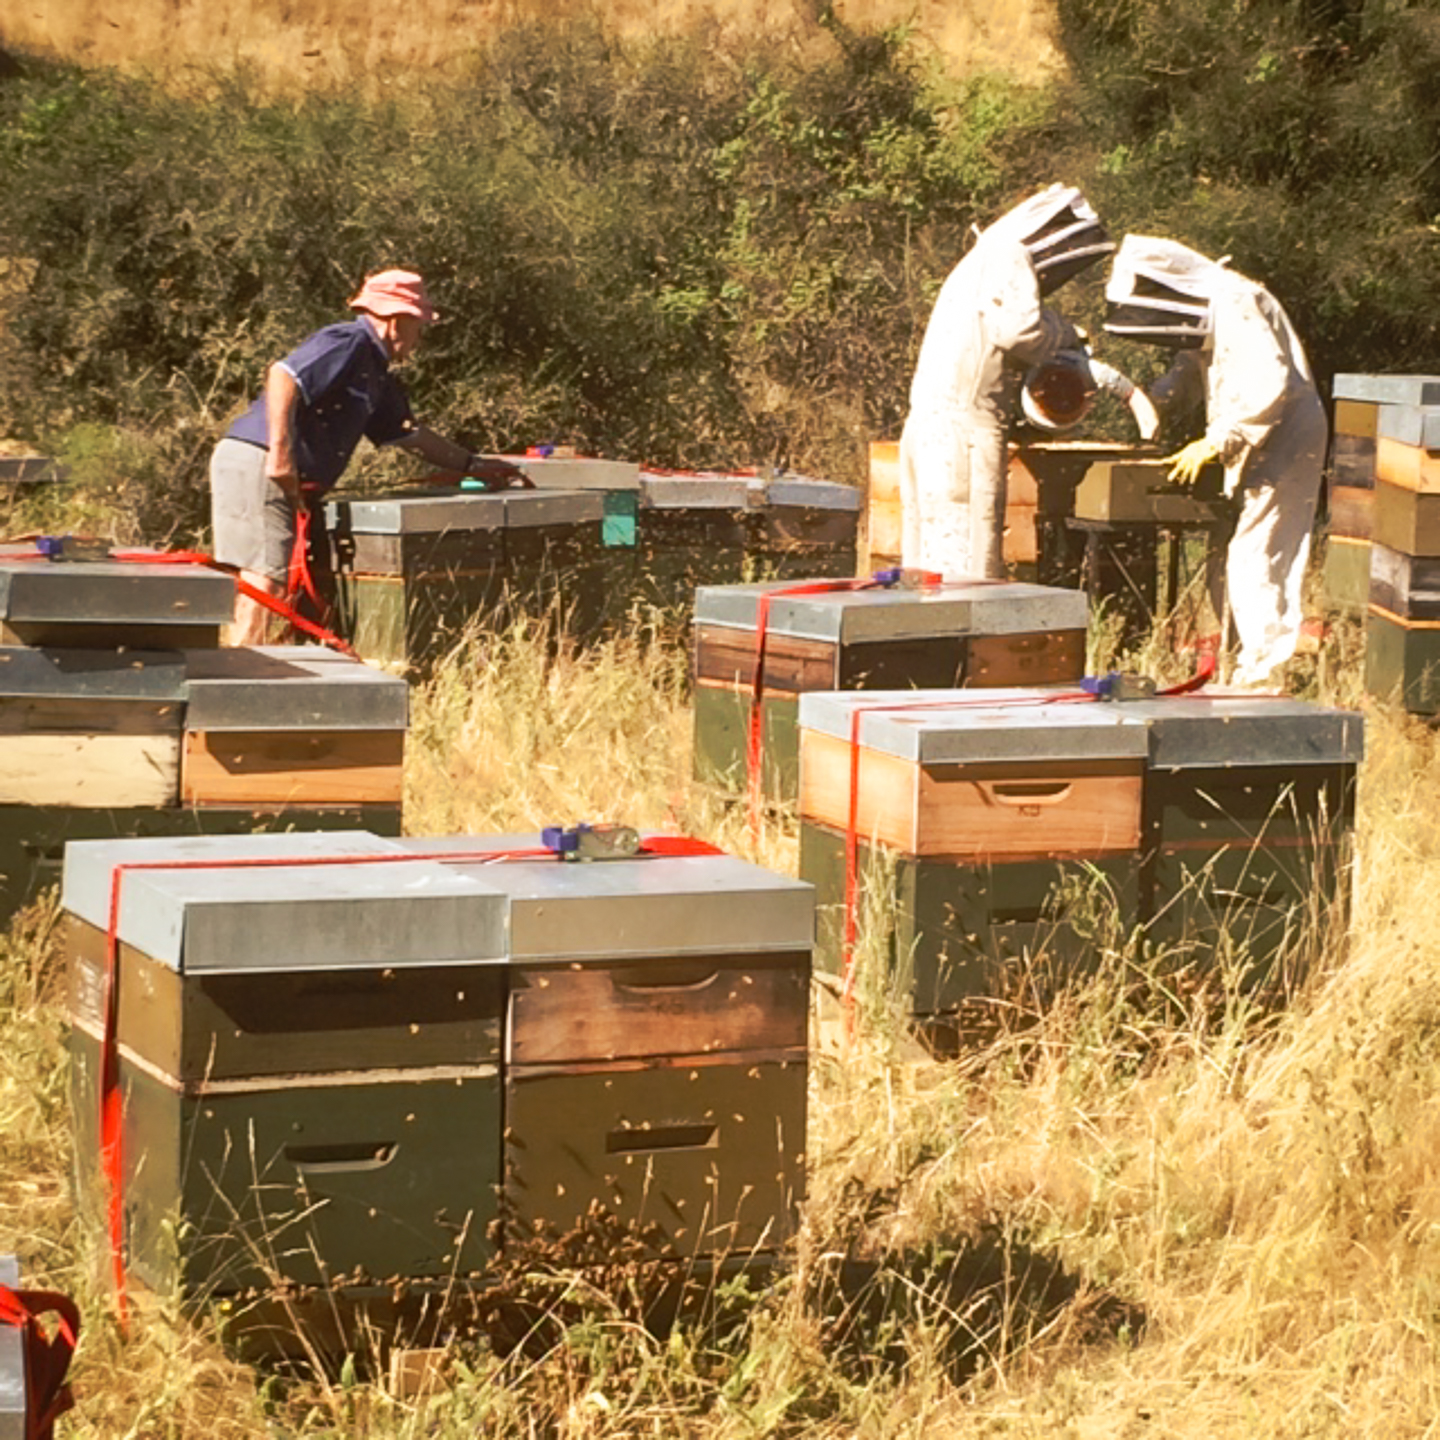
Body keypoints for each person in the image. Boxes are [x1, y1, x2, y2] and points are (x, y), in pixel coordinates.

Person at [209, 268, 527, 645]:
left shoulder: (375, 371)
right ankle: (238, 682)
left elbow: (409, 433)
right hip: (259, 460)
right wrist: (281, 453)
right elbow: (283, 375)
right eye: (418, 327)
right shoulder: (348, 341)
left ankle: (248, 670)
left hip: (267, 466)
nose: (419, 339)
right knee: (266, 578)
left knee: (270, 577)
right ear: (396, 322)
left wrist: (473, 464)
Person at [1104, 235, 1327, 685]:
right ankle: (1243, 654)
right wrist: (1154, 399)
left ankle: (1265, 667)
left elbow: (1269, 381)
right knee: (1231, 552)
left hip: (1284, 437)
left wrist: (1218, 440)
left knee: (1258, 549)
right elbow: (1190, 369)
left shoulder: (1236, 299)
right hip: (1261, 438)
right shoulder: (1215, 305)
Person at [897, 184, 1115, 578]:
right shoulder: (1008, 252)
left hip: (930, 429)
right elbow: (1018, 331)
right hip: (961, 435)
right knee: (964, 573)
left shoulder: (975, 263)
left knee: (926, 571)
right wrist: (1064, 333)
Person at [1018, 346, 1161, 440]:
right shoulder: (1019, 365)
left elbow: (1132, 394)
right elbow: (1132, 393)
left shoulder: (1094, 372)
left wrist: (1149, 440)